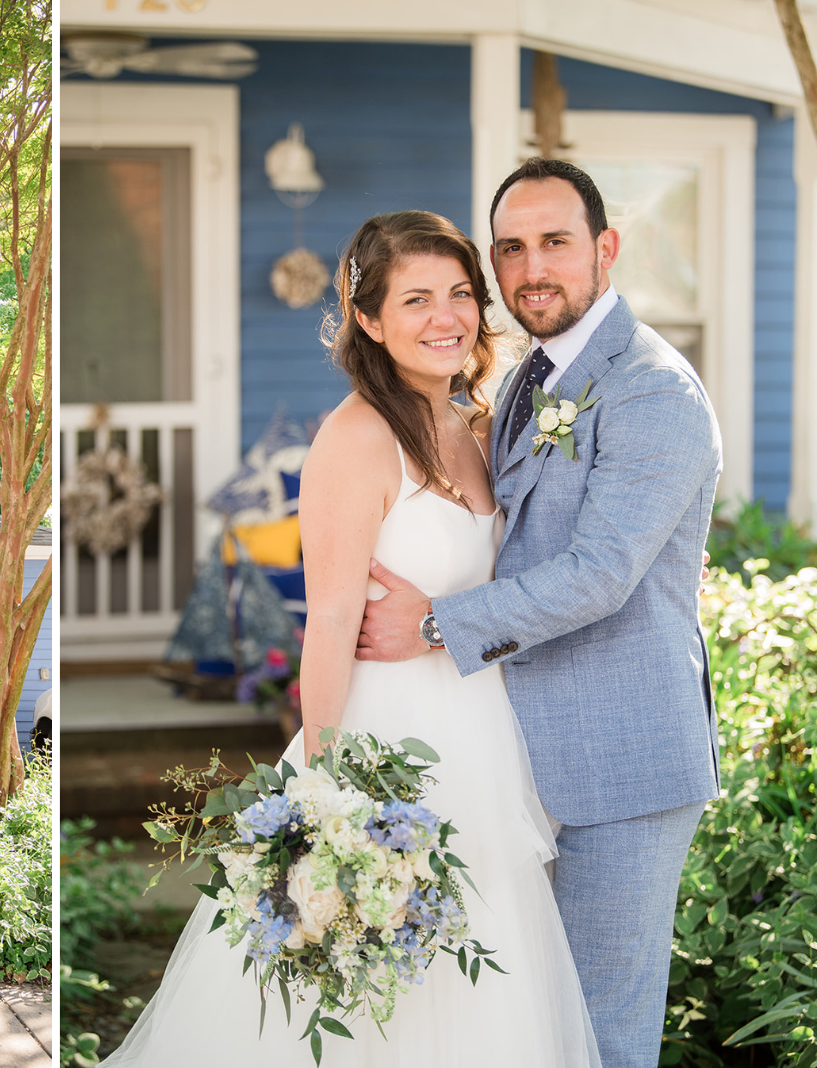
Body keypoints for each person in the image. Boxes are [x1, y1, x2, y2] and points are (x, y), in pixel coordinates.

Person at [101, 209, 600, 1067]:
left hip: (485, 737)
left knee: (481, 970)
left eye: (460, 295)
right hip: (389, 747)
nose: (447, 318)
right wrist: (326, 793)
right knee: (373, 986)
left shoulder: (478, 423)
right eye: (415, 300)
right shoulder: (357, 437)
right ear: (369, 320)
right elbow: (330, 621)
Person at [357, 159, 721, 1068]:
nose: (532, 269)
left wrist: (436, 622)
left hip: (622, 768)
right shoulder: (528, 377)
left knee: (601, 1035)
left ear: (606, 248)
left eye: (556, 242)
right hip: (524, 759)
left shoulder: (651, 389)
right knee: (533, 1032)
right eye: (511, 249)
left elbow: (601, 573)